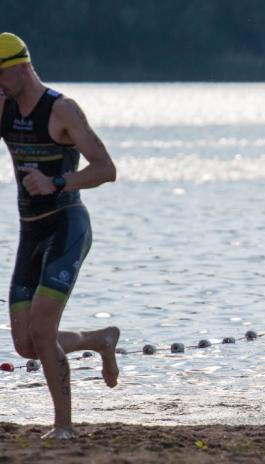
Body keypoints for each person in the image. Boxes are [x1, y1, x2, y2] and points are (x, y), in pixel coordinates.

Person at [0, 33, 119, 439]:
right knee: (26, 343)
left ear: (21, 67)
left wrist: (57, 181)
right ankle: (99, 339)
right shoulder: (4, 107)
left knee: (43, 329)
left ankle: (64, 427)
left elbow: (105, 168)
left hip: (66, 226)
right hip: (30, 233)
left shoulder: (61, 110)